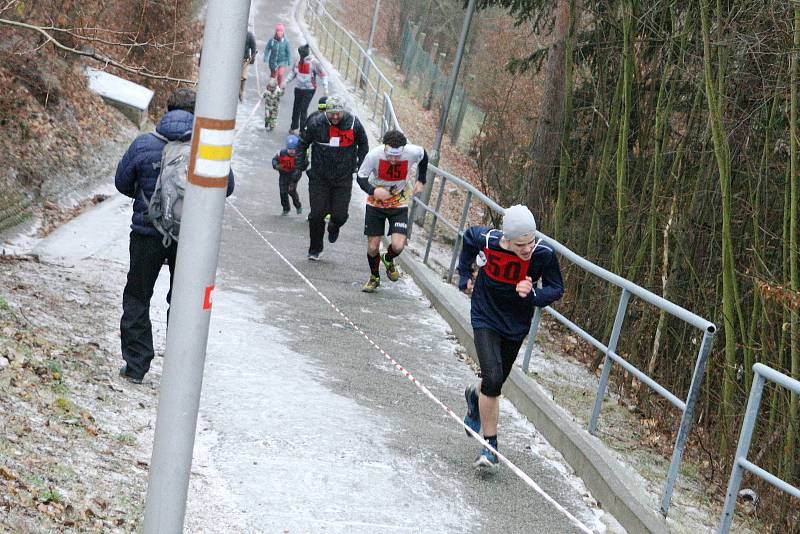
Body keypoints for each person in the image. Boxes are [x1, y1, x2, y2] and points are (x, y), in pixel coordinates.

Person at [114, 88, 235, 384]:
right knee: (184, 301)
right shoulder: (206, 147)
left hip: (146, 233)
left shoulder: (144, 144)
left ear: (167, 109)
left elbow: (121, 182)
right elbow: (226, 187)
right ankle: (178, 372)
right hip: (189, 238)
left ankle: (136, 366)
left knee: (138, 297)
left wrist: (149, 202)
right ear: (197, 112)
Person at [457, 205, 564, 468]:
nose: (527, 249)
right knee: (492, 377)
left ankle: (475, 396)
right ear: (507, 239)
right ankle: (489, 447)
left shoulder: (543, 254)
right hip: (485, 314)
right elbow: (469, 237)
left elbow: (556, 287)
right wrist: (464, 273)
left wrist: (534, 294)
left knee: (495, 383)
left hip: (516, 323)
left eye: (530, 242)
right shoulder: (489, 240)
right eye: (520, 245)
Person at [356, 129, 428, 292]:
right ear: (385, 148)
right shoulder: (374, 155)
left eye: (398, 156)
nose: (394, 160)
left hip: (399, 202)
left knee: (398, 246)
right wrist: (373, 191)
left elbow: (424, 155)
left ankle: (388, 259)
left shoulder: (411, 151)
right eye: (390, 155)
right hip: (376, 203)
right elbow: (360, 178)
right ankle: (374, 277)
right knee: (373, 247)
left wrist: (421, 179)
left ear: (403, 149)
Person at [297, 94, 368, 260]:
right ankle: (315, 248)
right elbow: (302, 143)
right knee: (316, 214)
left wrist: (361, 163)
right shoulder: (316, 123)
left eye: (338, 113)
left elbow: (364, 144)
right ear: (326, 112)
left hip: (342, 177)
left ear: (343, 111)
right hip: (319, 176)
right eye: (331, 113)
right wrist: (301, 162)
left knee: (340, 214)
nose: (335, 117)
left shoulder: (353, 124)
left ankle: (334, 226)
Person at [284, 44, 328, 134]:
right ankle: (293, 126)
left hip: (309, 89)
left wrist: (325, 88)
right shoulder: (297, 61)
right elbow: (293, 73)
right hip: (298, 88)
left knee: (303, 109)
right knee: (296, 108)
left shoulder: (314, 63)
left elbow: (323, 75)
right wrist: (285, 81)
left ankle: (302, 130)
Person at [272, 134, 305, 215]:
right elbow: (274, 159)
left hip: (294, 176)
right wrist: (276, 165)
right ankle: (286, 208)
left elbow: (303, 165)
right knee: (283, 192)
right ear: (287, 148)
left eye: (294, 149)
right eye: (290, 149)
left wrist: (300, 169)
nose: (292, 151)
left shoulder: (299, 155)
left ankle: (298, 206)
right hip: (283, 175)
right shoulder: (281, 153)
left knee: (291, 191)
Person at [240, 29, 258, 101]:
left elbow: (253, 47)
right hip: (234, 60)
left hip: (245, 60)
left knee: (243, 77)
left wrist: (252, 58)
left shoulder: (249, 35)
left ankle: (241, 92)